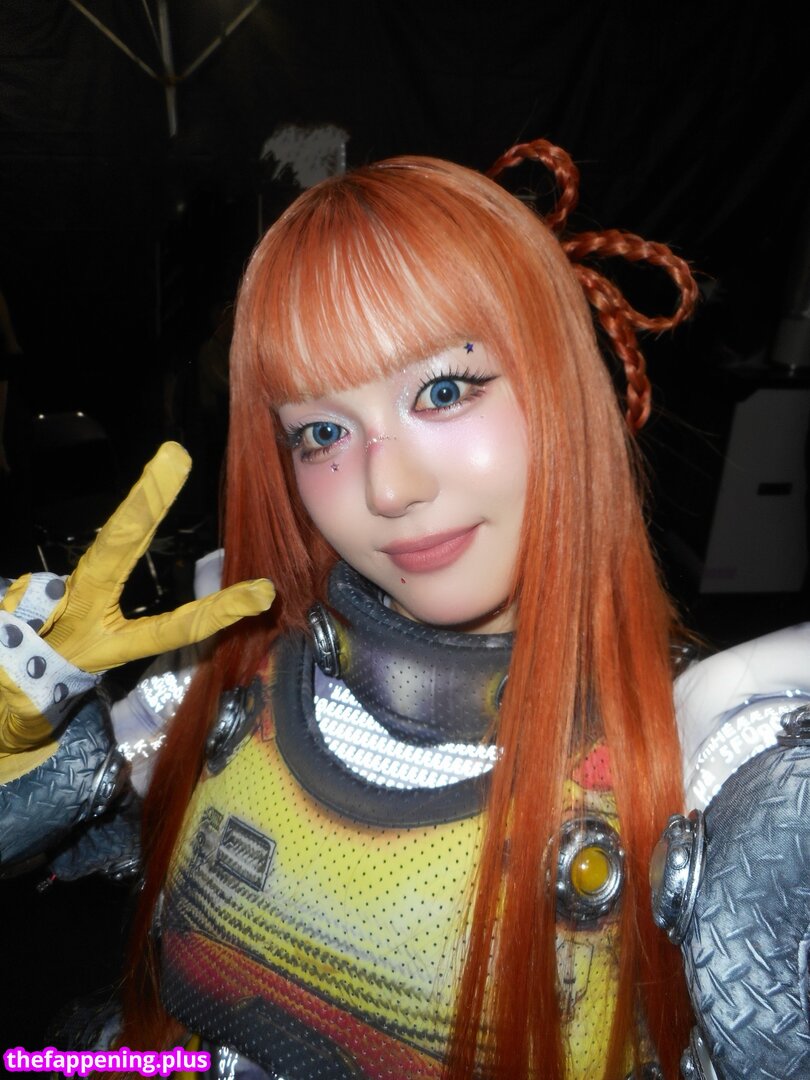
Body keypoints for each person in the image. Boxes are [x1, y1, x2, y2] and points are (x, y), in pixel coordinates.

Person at [2, 141, 781, 1079]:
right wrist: (30, 753)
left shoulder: (701, 764)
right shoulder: (222, 677)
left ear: (563, 386)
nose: (388, 488)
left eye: (443, 391)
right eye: (323, 431)